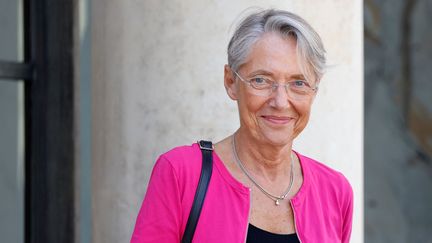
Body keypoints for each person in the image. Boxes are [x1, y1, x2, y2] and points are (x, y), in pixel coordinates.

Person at [131, 9, 353, 243]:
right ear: (231, 82)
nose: (280, 101)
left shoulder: (335, 191)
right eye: (261, 80)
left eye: (298, 83)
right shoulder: (180, 173)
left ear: (314, 91)